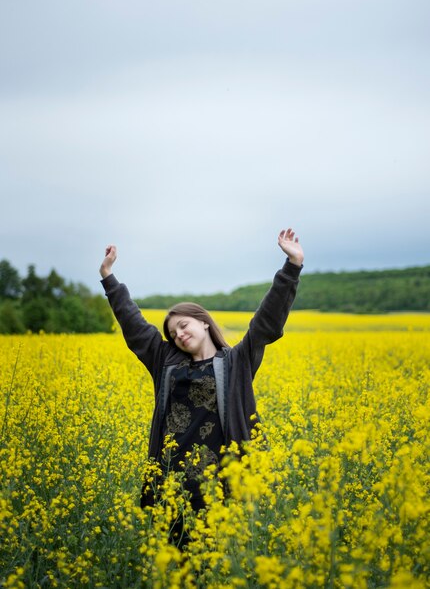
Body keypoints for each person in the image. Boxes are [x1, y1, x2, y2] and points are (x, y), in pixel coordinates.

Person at [99, 228, 304, 542]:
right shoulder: (165, 363)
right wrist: (109, 279)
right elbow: (135, 326)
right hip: (172, 485)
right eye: (173, 333)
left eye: (183, 325)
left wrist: (292, 267)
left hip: (222, 487)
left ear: (204, 322)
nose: (179, 334)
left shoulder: (237, 362)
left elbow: (266, 322)